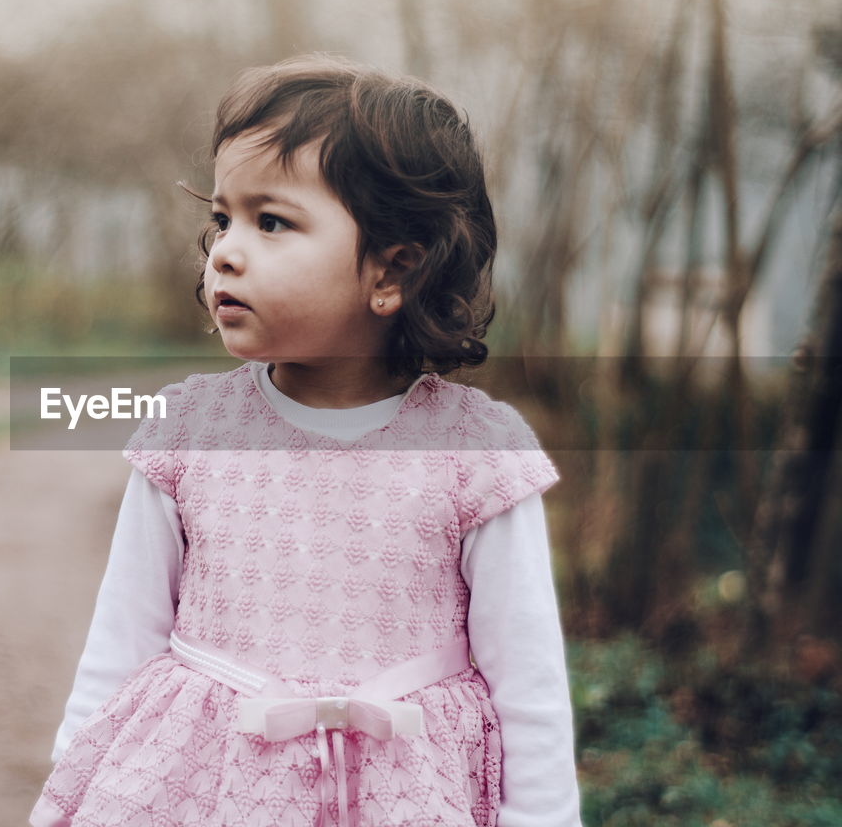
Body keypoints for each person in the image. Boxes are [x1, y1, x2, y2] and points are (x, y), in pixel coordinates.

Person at [30, 54, 582, 827]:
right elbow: (119, 648)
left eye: (272, 221)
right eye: (223, 219)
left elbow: (529, 689)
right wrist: (74, 783)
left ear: (392, 270)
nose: (224, 250)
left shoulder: (475, 456)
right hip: (207, 791)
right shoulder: (190, 434)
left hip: (405, 799)